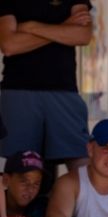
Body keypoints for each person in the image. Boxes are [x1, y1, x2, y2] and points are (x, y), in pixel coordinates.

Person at [0, 1, 92, 171]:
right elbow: (9, 45)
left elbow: (83, 36)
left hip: (64, 90)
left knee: (81, 166)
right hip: (19, 90)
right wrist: (64, 27)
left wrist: (30, 27)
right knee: (22, 168)